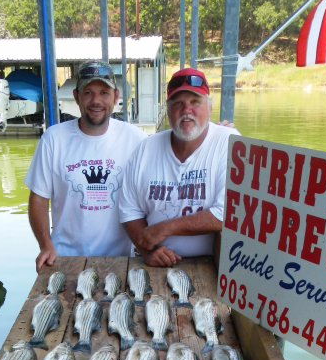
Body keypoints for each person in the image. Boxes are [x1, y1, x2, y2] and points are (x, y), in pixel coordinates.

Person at [25, 61, 147, 272]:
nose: (96, 100)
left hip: (119, 261)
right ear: (76, 97)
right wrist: (45, 245)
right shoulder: (53, 139)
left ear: (116, 97)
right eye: (88, 92)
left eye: (104, 93)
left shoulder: (136, 139)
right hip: (64, 259)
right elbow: (38, 199)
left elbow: (153, 191)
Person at [119, 68, 239, 267]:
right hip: (156, 263)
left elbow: (226, 213)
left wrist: (166, 227)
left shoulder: (228, 142)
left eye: (195, 102)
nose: (186, 110)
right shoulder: (145, 149)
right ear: (167, 110)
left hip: (211, 265)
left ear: (210, 108)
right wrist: (148, 252)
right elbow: (128, 209)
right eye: (178, 103)